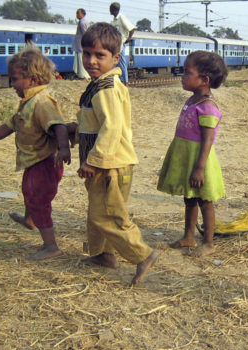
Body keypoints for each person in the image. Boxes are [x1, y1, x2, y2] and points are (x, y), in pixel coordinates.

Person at [70, 22, 157, 286]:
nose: (91, 61)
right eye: (87, 54)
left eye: (100, 55)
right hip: (106, 163)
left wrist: (92, 161)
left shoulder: (106, 88)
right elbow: (94, 124)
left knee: (106, 215)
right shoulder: (101, 84)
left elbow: (111, 127)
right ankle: (103, 255)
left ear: (115, 58)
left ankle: (142, 255)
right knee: (97, 210)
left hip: (109, 165)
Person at [0, 48, 71, 260]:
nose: (11, 85)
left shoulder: (41, 102)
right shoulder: (28, 102)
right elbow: (9, 125)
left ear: (31, 79)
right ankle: (30, 220)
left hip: (45, 163)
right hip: (34, 161)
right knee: (29, 192)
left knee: (39, 200)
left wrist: (64, 147)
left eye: (14, 80)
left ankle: (51, 246)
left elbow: (58, 126)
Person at [157, 51, 228, 257]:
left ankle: (208, 243)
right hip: (186, 157)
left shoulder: (207, 107)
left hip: (200, 160)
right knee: (189, 198)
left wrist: (199, 168)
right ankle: (188, 236)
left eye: (187, 73)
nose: (182, 76)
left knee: (205, 201)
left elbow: (207, 140)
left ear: (204, 80)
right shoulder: (193, 100)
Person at [109, 2, 135, 84]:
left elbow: (132, 28)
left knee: (121, 62)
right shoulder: (113, 20)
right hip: (115, 43)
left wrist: (128, 38)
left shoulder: (121, 18)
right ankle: (118, 79)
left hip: (121, 43)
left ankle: (125, 81)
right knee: (116, 62)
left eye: (111, 9)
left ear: (114, 10)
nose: (109, 10)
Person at [72, 8, 90, 79]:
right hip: (79, 45)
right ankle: (81, 75)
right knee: (79, 61)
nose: (76, 15)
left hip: (81, 46)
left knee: (81, 61)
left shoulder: (82, 22)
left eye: (78, 13)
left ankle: (83, 76)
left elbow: (86, 34)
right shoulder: (83, 21)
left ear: (83, 14)